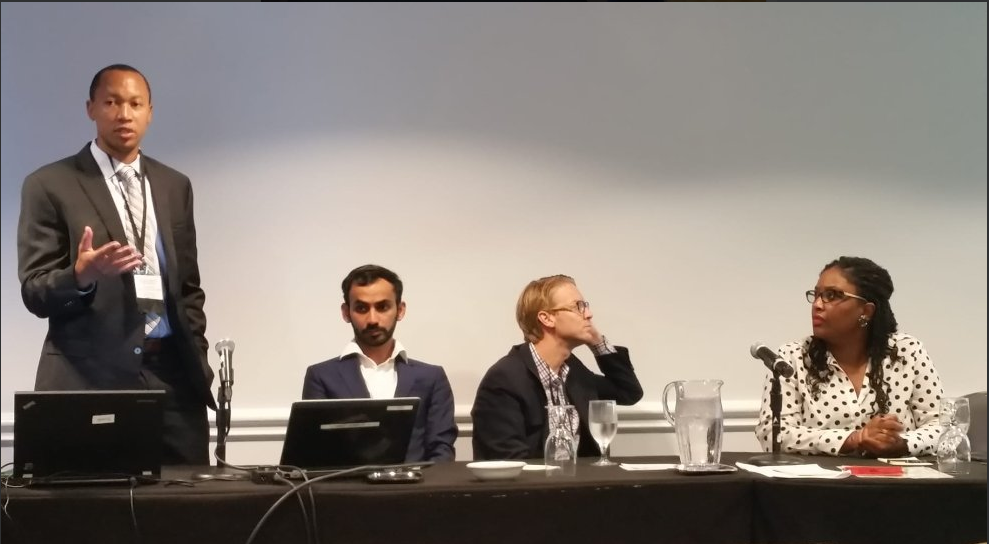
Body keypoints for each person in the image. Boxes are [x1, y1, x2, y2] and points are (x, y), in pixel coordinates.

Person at [17, 64, 215, 465]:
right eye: (111, 102)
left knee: (189, 513)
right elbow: (35, 291)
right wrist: (81, 276)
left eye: (134, 104)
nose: (124, 114)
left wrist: (199, 359)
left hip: (173, 378)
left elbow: (189, 287)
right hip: (89, 379)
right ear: (91, 108)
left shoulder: (174, 185)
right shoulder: (50, 183)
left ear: (149, 112)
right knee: (94, 516)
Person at [755, 256, 943, 457]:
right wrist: (854, 438)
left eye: (832, 295)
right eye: (816, 294)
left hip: (896, 483)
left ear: (866, 311)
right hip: (821, 485)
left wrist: (901, 443)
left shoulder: (908, 352)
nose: (817, 304)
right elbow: (773, 434)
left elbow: (942, 426)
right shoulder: (792, 358)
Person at [471, 274, 643, 460]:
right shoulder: (505, 378)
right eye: (578, 306)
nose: (588, 314)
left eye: (585, 306)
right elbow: (507, 462)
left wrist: (597, 343)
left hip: (581, 484)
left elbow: (628, 392)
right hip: (534, 487)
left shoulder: (573, 371)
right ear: (547, 318)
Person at [302, 265, 457, 462]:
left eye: (382, 307)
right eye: (361, 308)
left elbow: (441, 452)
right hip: (345, 489)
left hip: (417, 490)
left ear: (400, 310)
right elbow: (315, 453)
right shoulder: (321, 377)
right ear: (346, 312)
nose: (373, 319)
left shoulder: (432, 377)